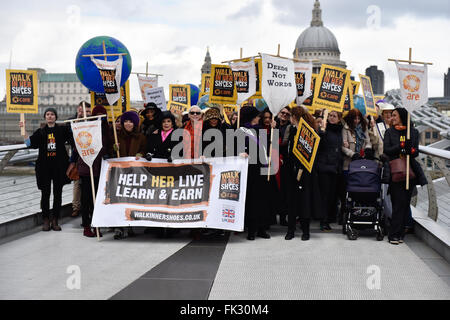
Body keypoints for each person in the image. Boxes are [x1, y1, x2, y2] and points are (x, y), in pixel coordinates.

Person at [21, 108, 73, 231]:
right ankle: (45, 219)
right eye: (48, 114)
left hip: (59, 167)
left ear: (56, 117)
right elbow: (29, 143)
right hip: (44, 168)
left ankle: (55, 219)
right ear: (45, 117)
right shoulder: (41, 131)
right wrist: (23, 130)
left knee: (57, 193)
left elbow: (73, 132)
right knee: (45, 194)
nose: (50, 116)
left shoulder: (62, 130)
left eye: (52, 114)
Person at [383, 108, 426, 245]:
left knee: (405, 203)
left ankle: (400, 234)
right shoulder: (389, 132)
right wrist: (399, 147)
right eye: (391, 115)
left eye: (394, 115)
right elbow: (387, 151)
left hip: (409, 172)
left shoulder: (413, 132)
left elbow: (415, 152)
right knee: (398, 203)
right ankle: (393, 235)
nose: (392, 117)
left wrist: (409, 149)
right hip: (395, 172)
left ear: (402, 117)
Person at [285, 106, 323, 241]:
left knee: (304, 202)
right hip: (291, 171)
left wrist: (302, 166)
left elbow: (313, 153)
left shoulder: (309, 132)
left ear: (295, 117)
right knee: (292, 202)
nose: (289, 118)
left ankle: (305, 231)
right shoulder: (292, 130)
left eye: (290, 116)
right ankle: (290, 230)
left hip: (305, 172)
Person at [74, 105, 112, 238]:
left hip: (100, 169)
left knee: (98, 199)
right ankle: (86, 226)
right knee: (86, 199)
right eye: (98, 115)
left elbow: (108, 147)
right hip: (87, 168)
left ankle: (96, 224)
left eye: (103, 115)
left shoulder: (107, 129)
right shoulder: (87, 128)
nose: (101, 118)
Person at [239, 106, 272, 240]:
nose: (259, 118)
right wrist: (239, 152)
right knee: (251, 200)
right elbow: (233, 148)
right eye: (257, 116)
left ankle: (261, 228)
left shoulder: (261, 131)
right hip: (248, 169)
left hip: (261, 168)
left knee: (262, 199)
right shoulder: (240, 130)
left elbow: (266, 148)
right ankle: (251, 229)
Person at [316, 111, 343, 231]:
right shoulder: (323, 130)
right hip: (324, 166)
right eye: (330, 116)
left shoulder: (339, 130)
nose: (331, 118)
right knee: (325, 196)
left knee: (332, 196)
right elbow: (319, 146)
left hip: (335, 167)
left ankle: (329, 218)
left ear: (339, 119)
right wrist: (321, 132)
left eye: (334, 116)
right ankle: (324, 221)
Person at [68, 102, 92, 217]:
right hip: (78, 157)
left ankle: (88, 207)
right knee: (77, 184)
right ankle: (76, 207)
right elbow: (71, 135)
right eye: (83, 111)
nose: (85, 114)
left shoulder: (93, 122)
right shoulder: (73, 121)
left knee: (89, 183)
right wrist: (78, 118)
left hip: (90, 155)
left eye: (87, 111)